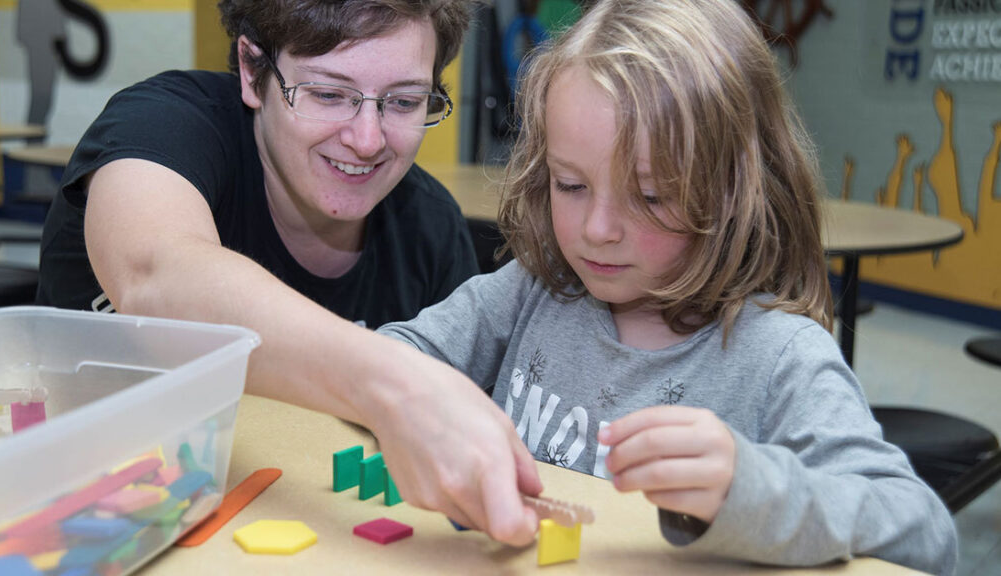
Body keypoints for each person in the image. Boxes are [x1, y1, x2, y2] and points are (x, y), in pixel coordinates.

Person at [377, 0, 958, 572]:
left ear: (734, 190)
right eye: (570, 185)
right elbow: (392, 359)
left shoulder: (783, 357)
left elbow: (924, 535)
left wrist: (753, 488)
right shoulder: (535, 286)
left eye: (650, 197)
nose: (597, 230)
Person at [36, 0, 543, 545]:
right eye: (327, 93)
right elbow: (157, 276)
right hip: (79, 512)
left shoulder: (431, 229)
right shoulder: (164, 126)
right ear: (253, 71)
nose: (367, 139)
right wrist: (393, 382)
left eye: (404, 101)